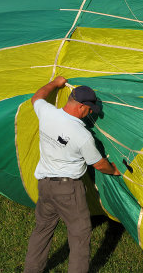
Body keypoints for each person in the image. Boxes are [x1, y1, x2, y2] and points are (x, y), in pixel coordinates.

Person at [24, 76, 121, 273]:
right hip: (68, 190)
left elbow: (37, 97)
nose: (89, 114)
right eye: (89, 110)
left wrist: (55, 84)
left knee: (42, 231)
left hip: (44, 185)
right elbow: (100, 165)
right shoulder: (82, 135)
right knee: (79, 236)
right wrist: (115, 170)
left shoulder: (47, 113)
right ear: (81, 107)